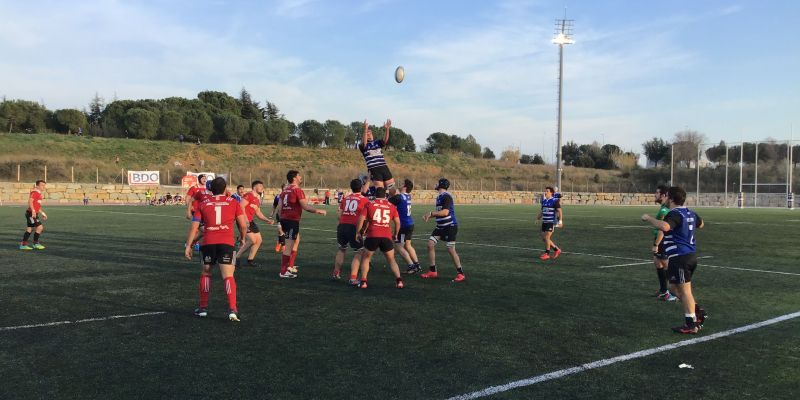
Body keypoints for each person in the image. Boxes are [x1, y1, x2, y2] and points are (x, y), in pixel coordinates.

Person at [641, 186, 707, 334]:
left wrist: (649, 219)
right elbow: (701, 224)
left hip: (680, 257)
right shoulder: (689, 212)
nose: (664, 199)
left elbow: (664, 226)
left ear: (671, 198)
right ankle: (696, 310)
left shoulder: (675, 213)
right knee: (672, 288)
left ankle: (691, 324)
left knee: (685, 291)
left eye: (667, 196)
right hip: (687, 256)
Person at [184, 177, 248, 322]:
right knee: (228, 276)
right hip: (226, 243)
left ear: (211, 189)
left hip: (208, 243)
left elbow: (194, 227)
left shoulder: (203, 203)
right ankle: (232, 310)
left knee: (206, 273)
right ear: (225, 189)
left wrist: (189, 245)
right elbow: (243, 225)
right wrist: (243, 237)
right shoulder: (233, 202)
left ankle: (203, 308)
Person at [275, 170, 327, 278]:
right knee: (289, 246)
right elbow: (305, 206)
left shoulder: (284, 191)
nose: (300, 177)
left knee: (295, 241)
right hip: (291, 221)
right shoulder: (297, 190)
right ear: (294, 178)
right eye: (299, 176)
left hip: (285, 219)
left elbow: (279, 209)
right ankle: (283, 271)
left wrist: (281, 221)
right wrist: (318, 211)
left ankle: (289, 267)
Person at [355, 187, 404, 289]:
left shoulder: (369, 204)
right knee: (391, 260)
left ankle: (363, 281)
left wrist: (358, 232)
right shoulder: (391, 206)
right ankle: (399, 281)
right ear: (385, 195)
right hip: (386, 235)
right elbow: (398, 222)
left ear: (375, 195)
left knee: (366, 258)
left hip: (372, 235)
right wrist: (395, 234)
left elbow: (361, 218)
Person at [421, 178, 465, 282]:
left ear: (441, 185)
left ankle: (461, 273)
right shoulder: (439, 197)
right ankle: (432, 271)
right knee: (430, 244)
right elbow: (440, 213)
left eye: (437, 182)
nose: (435, 184)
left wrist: (431, 213)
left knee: (450, 249)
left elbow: (445, 212)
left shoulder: (446, 196)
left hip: (450, 226)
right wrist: (429, 215)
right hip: (440, 227)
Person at [333, 179, 370, 282]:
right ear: (361, 187)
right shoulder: (365, 200)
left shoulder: (346, 198)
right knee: (359, 252)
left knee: (342, 249)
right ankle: (353, 278)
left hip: (342, 226)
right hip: (354, 227)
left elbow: (339, 215)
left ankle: (336, 272)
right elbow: (366, 217)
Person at [237, 181, 275, 268]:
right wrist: (245, 220)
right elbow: (241, 206)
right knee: (252, 240)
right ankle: (236, 258)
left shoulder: (257, 199)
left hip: (250, 221)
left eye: (262, 186)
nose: (262, 187)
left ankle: (250, 260)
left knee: (259, 240)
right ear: (254, 187)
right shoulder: (248, 195)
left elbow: (258, 213)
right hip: (243, 220)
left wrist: (267, 220)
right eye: (260, 186)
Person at [388, 179, 421, 274]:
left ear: (405, 187)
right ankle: (417, 265)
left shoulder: (399, 197)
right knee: (408, 245)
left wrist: (391, 193)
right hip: (410, 223)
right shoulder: (408, 196)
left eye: (402, 184)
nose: (400, 184)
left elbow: (385, 202)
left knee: (399, 246)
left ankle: (411, 266)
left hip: (403, 225)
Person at [651, 185, 678, 301]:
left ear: (663, 195)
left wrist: (656, 244)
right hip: (660, 240)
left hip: (662, 241)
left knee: (667, 266)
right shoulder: (663, 208)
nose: (655, 195)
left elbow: (663, 229)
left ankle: (674, 293)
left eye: (657, 193)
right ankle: (663, 290)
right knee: (658, 262)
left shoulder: (664, 210)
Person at [359, 119, 395, 190]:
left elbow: (385, 140)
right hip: (374, 169)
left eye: (369, 133)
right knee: (380, 190)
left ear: (372, 134)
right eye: (366, 134)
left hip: (384, 167)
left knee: (392, 189)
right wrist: (365, 129)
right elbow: (364, 142)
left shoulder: (377, 142)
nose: (368, 134)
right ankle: (380, 199)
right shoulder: (363, 146)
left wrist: (387, 129)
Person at [536, 186, 563, 260]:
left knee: (547, 237)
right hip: (544, 222)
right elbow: (542, 211)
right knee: (544, 239)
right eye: (545, 191)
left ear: (551, 193)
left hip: (551, 222)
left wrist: (560, 221)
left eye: (547, 191)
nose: (545, 192)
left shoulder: (554, 200)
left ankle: (547, 253)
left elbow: (559, 211)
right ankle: (556, 250)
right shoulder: (544, 201)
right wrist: (538, 218)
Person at [20, 180, 48, 250]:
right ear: (37, 186)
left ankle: (24, 244)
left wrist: (43, 213)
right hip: (31, 214)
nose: (43, 187)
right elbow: (30, 201)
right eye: (42, 185)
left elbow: (37, 206)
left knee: (30, 228)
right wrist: (33, 211)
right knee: (39, 227)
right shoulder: (35, 192)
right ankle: (35, 243)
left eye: (44, 185)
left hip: (33, 213)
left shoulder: (38, 194)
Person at [270, 184, 286, 253]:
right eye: (284, 188)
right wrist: (271, 214)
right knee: (280, 230)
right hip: (279, 216)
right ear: (282, 189)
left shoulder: (290, 196)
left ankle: (279, 243)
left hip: (287, 216)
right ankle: (283, 245)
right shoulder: (277, 196)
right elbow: (274, 206)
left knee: (283, 231)